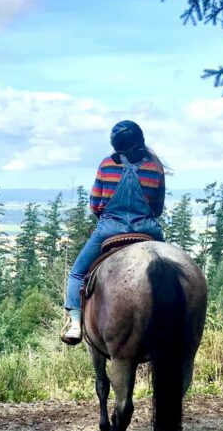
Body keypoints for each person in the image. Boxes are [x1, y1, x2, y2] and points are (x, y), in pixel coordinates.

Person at [61, 120, 166, 344]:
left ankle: (75, 324)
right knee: (170, 270)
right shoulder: (155, 167)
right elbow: (157, 209)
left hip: (110, 229)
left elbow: (95, 204)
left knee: (77, 273)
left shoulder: (107, 164)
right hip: (147, 228)